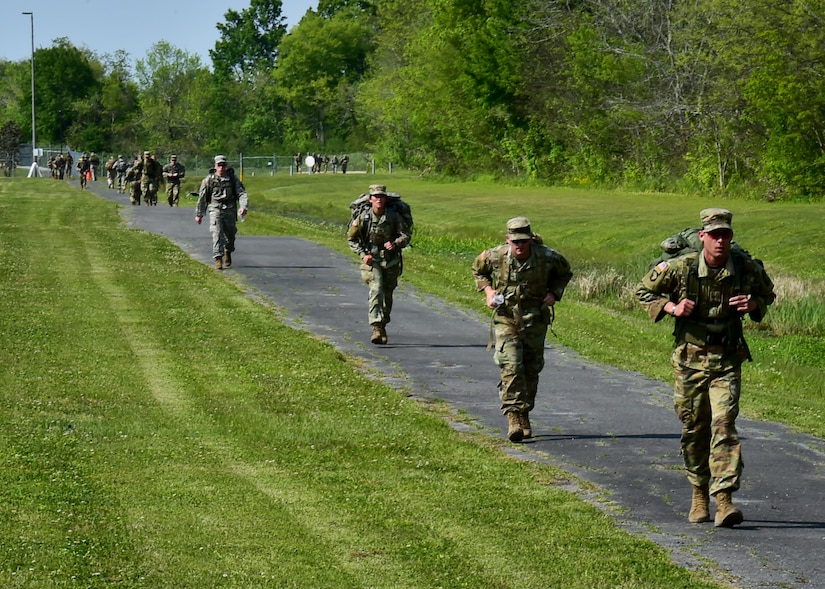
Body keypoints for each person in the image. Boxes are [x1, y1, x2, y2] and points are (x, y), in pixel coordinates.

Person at [635, 208, 775, 528]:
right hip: (689, 360)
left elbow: (767, 294)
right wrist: (672, 307)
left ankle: (724, 500)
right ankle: (699, 493)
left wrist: (752, 304)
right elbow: (643, 291)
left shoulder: (743, 267)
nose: (720, 241)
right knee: (695, 428)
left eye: (725, 234)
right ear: (702, 237)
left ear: (731, 237)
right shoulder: (681, 267)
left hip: (727, 358)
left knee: (723, 423)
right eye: (714, 235)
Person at [472, 217, 572, 442]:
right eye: (515, 241)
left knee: (530, 367)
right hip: (506, 317)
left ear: (530, 239)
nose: (519, 246)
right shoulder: (495, 256)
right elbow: (478, 271)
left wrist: (554, 293)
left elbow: (564, 273)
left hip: (535, 319)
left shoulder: (547, 256)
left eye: (524, 241)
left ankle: (525, 412)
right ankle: (513, 416)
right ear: (508, 240)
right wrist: (488, 292)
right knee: (511, 364)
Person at [347, 184, 412, 344]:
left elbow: (405, 235)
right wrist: (363, 255)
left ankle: (382, 325)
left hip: (391, 260)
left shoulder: (393, 216)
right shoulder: (363, 218)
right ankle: (376, 326)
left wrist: (396, 243)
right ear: (370, 199)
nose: (379, 200)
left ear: (386, 199)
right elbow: (352, 238)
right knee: (376, 288)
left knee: (388, 293)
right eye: (376, 197)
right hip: (372, 260)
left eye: (382, 197)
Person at [195, 155, 249, 270]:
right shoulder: (209, 179)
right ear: (215, 166)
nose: (221, 168)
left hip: (230, 209)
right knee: (217, 233)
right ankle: (218, 258)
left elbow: (242, 193)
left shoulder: (232, 179)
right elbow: (202, 197)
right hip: (215, 209)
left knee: (230, 235)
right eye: (219, 165)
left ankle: (228, 251)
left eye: (223, 165)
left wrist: (243, 206)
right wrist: (199, 214)